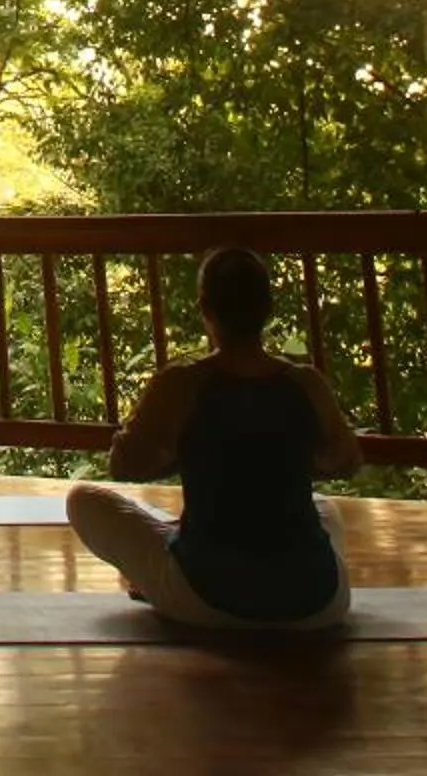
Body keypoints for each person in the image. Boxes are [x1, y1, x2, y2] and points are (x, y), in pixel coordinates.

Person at [67, 245, 363, 630]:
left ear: (205, 309)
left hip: (208, 599)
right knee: (324, 508)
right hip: (319, 604)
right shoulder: (305, 382)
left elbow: (125, 464)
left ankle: (162, 577)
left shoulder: (182, 383)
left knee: (83, 500)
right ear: (266, 310)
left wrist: (182, 451)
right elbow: (346, 461)